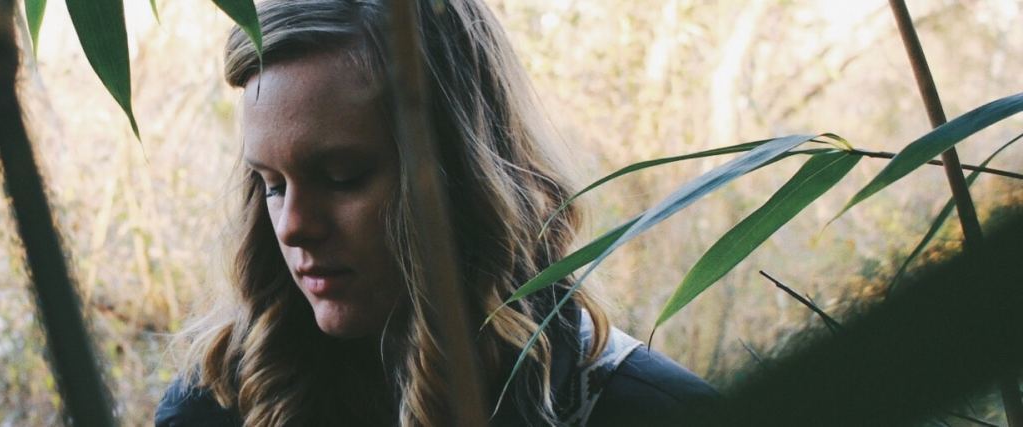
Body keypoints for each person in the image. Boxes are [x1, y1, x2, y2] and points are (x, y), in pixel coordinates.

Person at [156, 0, 716, 425]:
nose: (294, 226)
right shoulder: (219, 406)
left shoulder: (651, 410)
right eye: (272, 185)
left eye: (342, 177)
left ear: (465, 179)